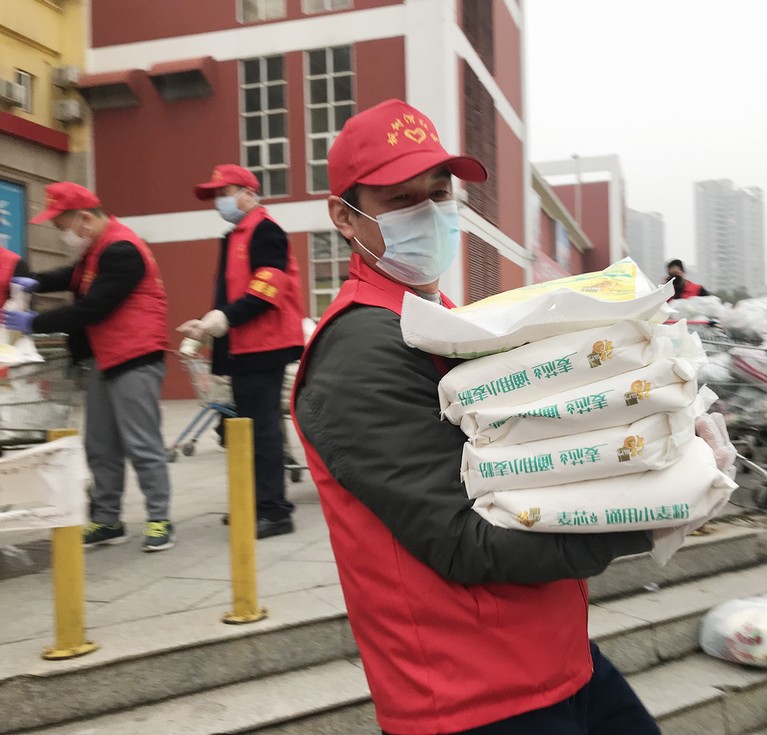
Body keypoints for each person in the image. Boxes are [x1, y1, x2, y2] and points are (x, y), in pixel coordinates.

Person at [291, 99, 661, 735]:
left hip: (555, 659)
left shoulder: (447, 326)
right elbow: (467, 538)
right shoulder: (359, 356)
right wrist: (651, 512)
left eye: (439, 194)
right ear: (345, 218)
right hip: (472, 697)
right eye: (401, 200)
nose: (429, 215)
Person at [0, 182, 174, 551]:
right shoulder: (96, 249)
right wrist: (33, 281)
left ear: (83, 219)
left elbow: (93, 308)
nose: (62, 234)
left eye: (62, 226)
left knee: (142, 443)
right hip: (104, 358)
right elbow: (71, 277)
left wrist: (34, 322)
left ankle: (159, 518)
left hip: (135, 356)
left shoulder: (122, 248)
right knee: (101, 445)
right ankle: (107, 519)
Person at [179, 165, 304, 539]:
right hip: (246, 344)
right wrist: (205, 324)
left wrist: (221, 319)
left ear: (249, 193)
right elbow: (231, 297)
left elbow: (266, 291)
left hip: (266, 345)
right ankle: (253, 503)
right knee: (247, 429)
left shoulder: (266, 232)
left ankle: (274, 510)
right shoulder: (236, 235)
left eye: (225, 191)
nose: (219, 200)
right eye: (216, 194)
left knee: (262, 431)